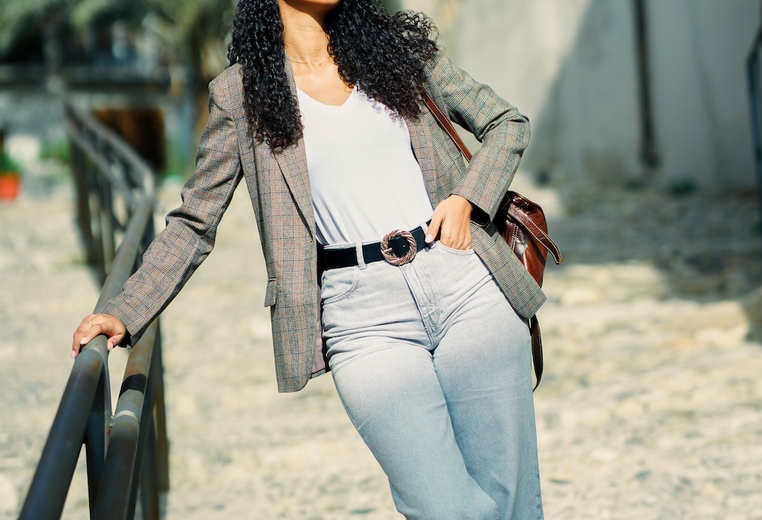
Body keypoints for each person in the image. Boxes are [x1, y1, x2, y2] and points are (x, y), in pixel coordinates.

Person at [72, 0, 545, 518]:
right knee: (442, 506)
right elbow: (195, 220)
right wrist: (126, 310)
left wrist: (467, 198)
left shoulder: (400, 56)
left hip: (465, 283)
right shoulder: (241, 94)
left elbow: (507, 122)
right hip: (363, 317)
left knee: (511, 497)